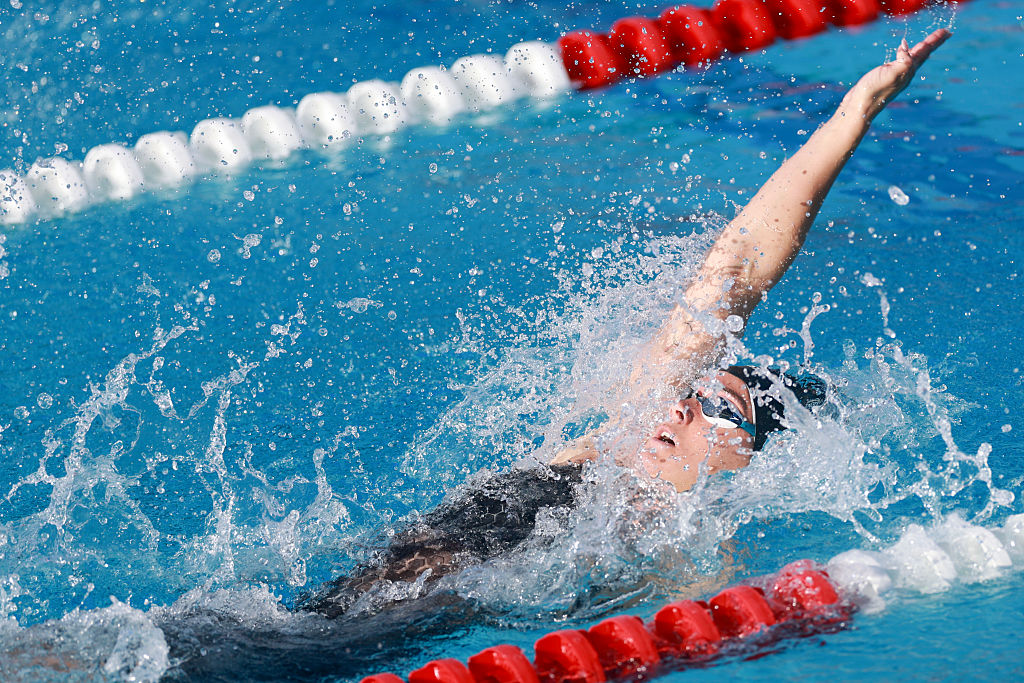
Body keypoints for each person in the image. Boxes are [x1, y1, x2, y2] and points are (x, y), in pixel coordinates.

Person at [296, 29, 952, 624]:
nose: (683, 406)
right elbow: (738, 265)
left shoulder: (691, 551)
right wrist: (856, 110)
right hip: (317, 618)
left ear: (750, 460)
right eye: (693, 391)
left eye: (719, 406)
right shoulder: (607, 448)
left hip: (368, 639)